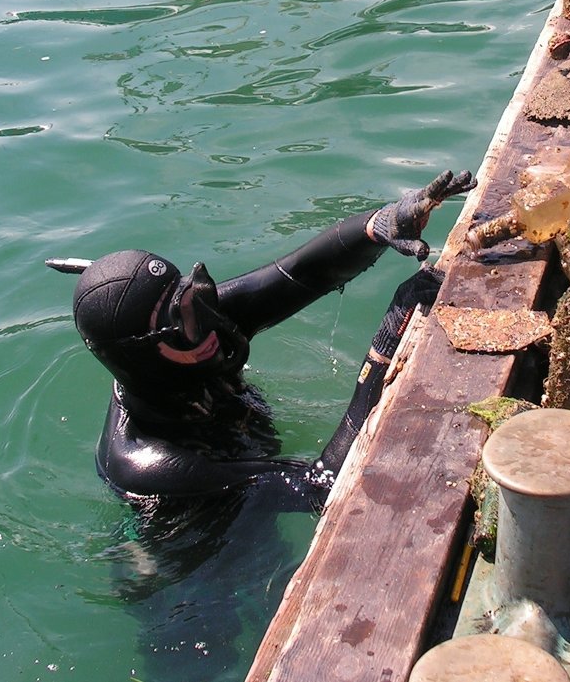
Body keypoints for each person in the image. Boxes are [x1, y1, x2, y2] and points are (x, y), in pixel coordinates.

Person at [46, 169, 476, 509]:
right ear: (144, 357)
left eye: (198, 294)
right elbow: (321, 487)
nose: (209, 321)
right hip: (198, 574)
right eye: (185, 319)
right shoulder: (144, 462)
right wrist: (381, 355)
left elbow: (300, 275)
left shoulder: (197, 335)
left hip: (242, 462)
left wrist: (378, 224)